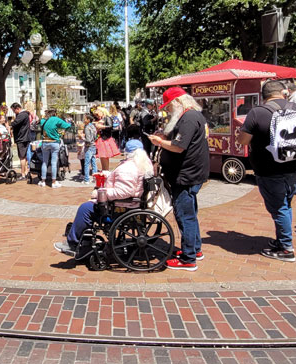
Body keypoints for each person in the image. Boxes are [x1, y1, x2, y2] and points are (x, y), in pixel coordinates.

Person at [236, 79, 296, 263]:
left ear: (263, 96)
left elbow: (243, 141)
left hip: (268, 169)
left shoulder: (257, 112)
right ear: (284, 92)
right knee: (285, 205)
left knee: (279, 207)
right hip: (295, 166)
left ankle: (286, 248)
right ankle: (282, 240)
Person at [54, 138, 155, 254]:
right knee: (88, 206)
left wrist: (100, 193)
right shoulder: (141, 164)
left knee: (85, 209)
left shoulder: (129, 167)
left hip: (122, 207)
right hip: (130, 204)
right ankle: (83, 240)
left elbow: (124, 192)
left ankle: (73, 243)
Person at [149, 87, 213, 270]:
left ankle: (188, 258)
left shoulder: (189, 117)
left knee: (184, 215)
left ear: (178, 102)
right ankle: (194, 249)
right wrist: (165, 137)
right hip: (189, 173)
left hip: (186, 175)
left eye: (169, 106)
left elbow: (179, 146)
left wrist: (160, 142)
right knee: (190, 213)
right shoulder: (191, 116)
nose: (168, 110)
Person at [37, 108, 72, 187]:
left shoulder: (43, 120)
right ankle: (53, 182)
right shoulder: (57, 119)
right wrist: (61, 131)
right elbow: (68, 126)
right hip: (54, 142)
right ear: (55, 113)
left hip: (45, 142)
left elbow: (38, 124)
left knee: (44, 162)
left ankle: (43, 181)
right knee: (53, 163)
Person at [10, 102, 35, 171]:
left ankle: (23, 173)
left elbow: (15, 123)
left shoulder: (22, 115)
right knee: (25, 156)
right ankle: (26, 171)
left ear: (17, 108)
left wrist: (10, 124)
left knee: (22, 157)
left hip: (22, 138)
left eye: (14, 110)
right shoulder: (25, 114)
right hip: (25, 137)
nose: (14, 112)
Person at [94, 107, 120, 171]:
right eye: (96, 115)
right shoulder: (101, 119)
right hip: (101, 138)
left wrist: (101, 127)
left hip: (105, 139)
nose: (97, 116)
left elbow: (110, 127)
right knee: (102, 157)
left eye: (98, 114)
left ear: (102, 112)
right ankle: (104, 171)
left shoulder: (107, 118)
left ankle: (106, 171)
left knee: (105, 156)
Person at [80, 114, 99, 183]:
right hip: (93, 145)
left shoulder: (87, 127)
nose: (84, 120)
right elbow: (95, 136)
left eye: (85, 119)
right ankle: (95, 178)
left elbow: (88, 139)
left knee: (87, 163)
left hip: (89, 146)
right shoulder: (93, 126)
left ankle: (86, 179)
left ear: (88, 120)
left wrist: (82, 138)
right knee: (94, 162)